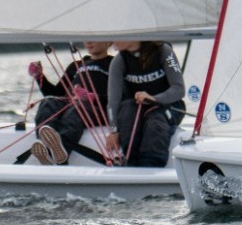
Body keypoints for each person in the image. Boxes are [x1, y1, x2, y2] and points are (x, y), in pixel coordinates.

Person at [27, 40, 111, 164]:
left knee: (77, 108)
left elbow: (120, 96)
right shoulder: (75, 65)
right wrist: (39, 77)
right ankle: (46, 147)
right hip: (72, 105)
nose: (89, 42)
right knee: (48, 102)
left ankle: (59, 155)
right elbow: (56, 94)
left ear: (109, 41)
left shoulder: (114, 64)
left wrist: (93, 97)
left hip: (96, 109)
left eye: (95, 38)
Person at [109, 40, 185, 168]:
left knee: (155, 119)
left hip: (169, 106)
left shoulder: (164, 51)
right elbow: (113, 101)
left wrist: (154, 98)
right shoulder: (119, 61)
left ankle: (151, 165)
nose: (112, 42)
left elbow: (179, 89)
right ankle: (131, 163)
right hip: (138, 107)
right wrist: (114, 130)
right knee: (127, 110)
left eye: (117, 37)